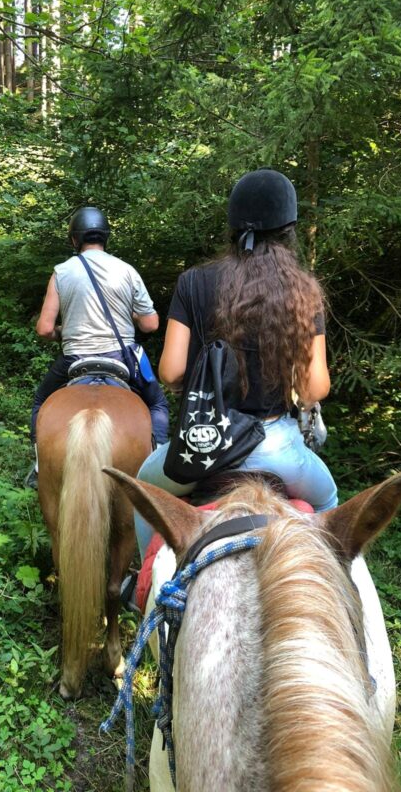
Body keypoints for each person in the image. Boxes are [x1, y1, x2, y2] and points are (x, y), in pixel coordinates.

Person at [133, 168, 338, 560]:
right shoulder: (304, 292)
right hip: (278, 449)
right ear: (289, 229)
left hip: (204, 446)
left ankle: (145, 591)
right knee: (329, 502)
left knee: (147, 489)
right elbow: (314, 389)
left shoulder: (193, 281)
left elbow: (172, 372)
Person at [25, 206, 169, 489]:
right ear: (106, 237)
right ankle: (159, 466)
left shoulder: (62, 272)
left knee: (41, 403)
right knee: (157, 403)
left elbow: (43, 328)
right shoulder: (127, 270)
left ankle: (41, 465)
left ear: (74, 240)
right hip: (122, 358)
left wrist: (61, 333)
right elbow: (151, 325)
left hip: (74, 359)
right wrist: (133, 317)